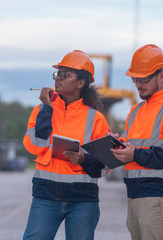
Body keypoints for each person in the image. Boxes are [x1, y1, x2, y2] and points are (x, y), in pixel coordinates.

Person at [23, 50, 110, 240]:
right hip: (46, 196)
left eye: (65, 75)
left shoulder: (96, 119)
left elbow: (104, 167)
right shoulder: (41, 110)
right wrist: (47, 109)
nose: (58, 79)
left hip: (83, 200)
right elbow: (34, 146)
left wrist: (84, 158)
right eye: (57, 74)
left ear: (80, 83)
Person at [110, 44, 163, 240]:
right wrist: (115, 143)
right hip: (134, 196)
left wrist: (135, 154)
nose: (138, 84)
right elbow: (130, 146)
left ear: (161, 75)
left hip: (159, 198)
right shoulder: (136, 111)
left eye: (144, 78)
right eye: (135, 79)